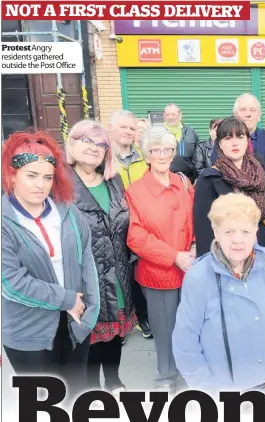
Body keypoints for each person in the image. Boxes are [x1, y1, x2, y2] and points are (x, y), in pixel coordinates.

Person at [1, 131, 99, 400]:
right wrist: (66, 299)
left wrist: (92, 308)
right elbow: (11, 283)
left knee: (78, 397)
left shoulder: (67, 211)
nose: (40, 185)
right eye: (31, 175)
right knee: (45, 402)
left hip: (75, 324)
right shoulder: (4, 221)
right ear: (11, 176)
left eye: (47, 177)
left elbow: (86, 260)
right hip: (29, 332)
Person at [172, 193, 265, 392]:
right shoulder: (199, 277)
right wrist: (205, 387)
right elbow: (185, 342)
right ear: (215, 232)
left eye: (245, 231)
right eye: (228, 231)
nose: (237, 240)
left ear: (255, 232)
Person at [65, 120, 137, 394]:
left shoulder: (113, 180)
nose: (93, 148)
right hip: (85, 276)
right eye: (86, 141)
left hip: (118, 271)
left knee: (115, 333)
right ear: (72, 144)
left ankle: (115, 382)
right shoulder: (60, 184)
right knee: (91, 337)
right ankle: (93, 390)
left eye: (100, 144)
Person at [125, 128, 195, 394]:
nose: (163, 154)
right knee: (164, 328)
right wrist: (173, 256)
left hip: (190, 268)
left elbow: (195, 219)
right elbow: (136, 236)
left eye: (167, 149)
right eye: (156, 150)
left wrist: (194, 247)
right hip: (159, 272)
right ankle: (165, 375)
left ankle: (189, 370)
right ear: (147, 155)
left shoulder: (184, 183)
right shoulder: (135, 191)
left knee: (189, 324)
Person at [194, 116, 265, 260]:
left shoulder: (260, 172)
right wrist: (208, 261)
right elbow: (203, 225)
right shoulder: (210, 178)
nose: (234, 143)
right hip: (228, 252)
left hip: (264, 248)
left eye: (240, 137)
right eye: (228, 138)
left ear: (247, 141)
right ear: (219, 143)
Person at [109, 110, 152, 339]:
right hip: (113, 224)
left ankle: (141, 315)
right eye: (123, 127)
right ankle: (118, 321)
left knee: (137, 271)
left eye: (132, 128)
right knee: (116, 273)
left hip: (140, 223)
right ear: (112, 128)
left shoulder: (143, 158)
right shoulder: (104, 158)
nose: (128, 131)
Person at [233, 93, 265, 167]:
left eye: (252, 110)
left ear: (259, 115)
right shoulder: (224, 140)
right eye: (243, 109)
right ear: (235, 115)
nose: (248, 114)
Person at [163, 103, 201, 183]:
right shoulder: (159, 133)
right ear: (164, 116)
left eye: (173, 114)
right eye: (168, 114)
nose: (171, 117)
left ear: (180, 115)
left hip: (189, 181)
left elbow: (198, 156)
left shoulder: (191, 132)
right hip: (165, 180)